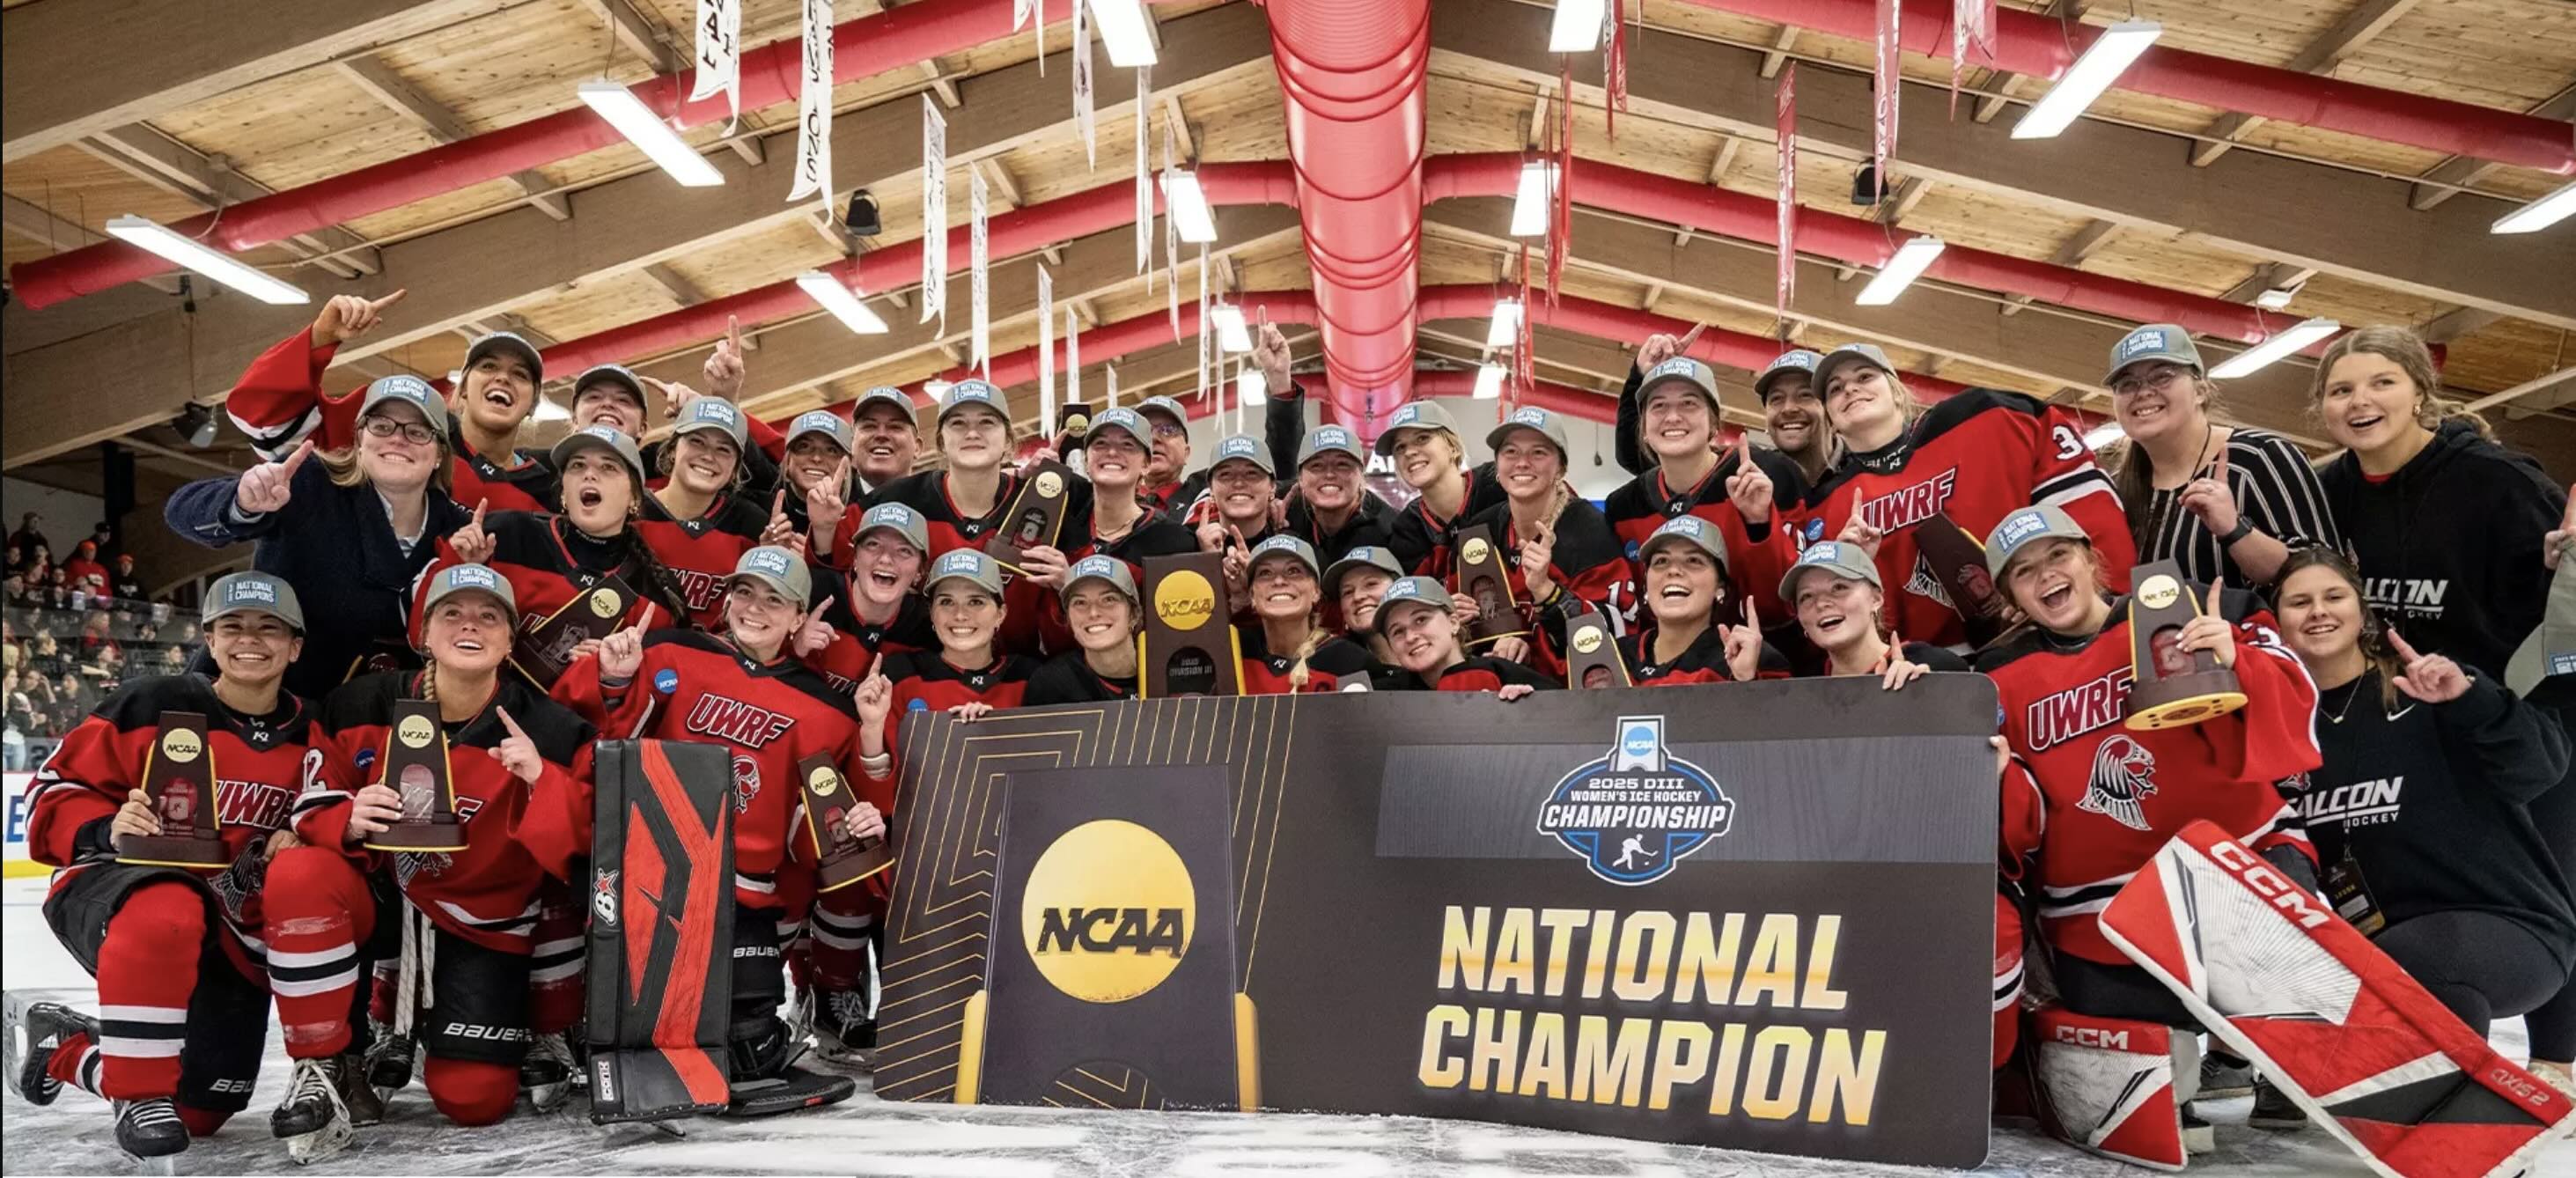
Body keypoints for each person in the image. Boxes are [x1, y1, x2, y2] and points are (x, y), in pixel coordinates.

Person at [1976, 504, 2322, 1138]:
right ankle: (2203, 1053)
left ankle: (2279, 1041)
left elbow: (2297, 708)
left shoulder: (2186, 607)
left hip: (2230, 860)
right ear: (2011, 597)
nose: (2045, 575)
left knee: (2261, 968)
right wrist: (1998, 775)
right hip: (2097, 912)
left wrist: (2234, 659)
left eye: (2057, 556)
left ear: (2090, 557)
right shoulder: (1995, 678)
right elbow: (2019, 829)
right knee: (2113, 1010)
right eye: (2023, 572)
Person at [2307, 325, 2576, 1086]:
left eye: (2380, 383)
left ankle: (2558, 1059)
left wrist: (2564, 564)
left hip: (2524, 706)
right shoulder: (2333, 491)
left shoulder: (2497, 482)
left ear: (2420, 390)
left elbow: (2561, 607)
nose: (2362, 401)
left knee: (2550, 866)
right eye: (2342, 389)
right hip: (2415, 717)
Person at [262, 564, 595, 1152]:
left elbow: (584, 845)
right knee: (299, 870)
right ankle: (323, 1065)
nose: (470, 625)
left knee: (474, 1099)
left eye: (488, 616)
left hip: (485, 920)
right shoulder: (359, 702)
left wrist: (544, 780)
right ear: (424, 633)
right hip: (385, 907)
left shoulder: (548, 726)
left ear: (510, 639)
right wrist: (346, 816)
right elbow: (313, 795)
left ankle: (498, 1029)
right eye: (453, 613)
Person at [8, 575, 328, 1160]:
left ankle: (68, 1048)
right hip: (126, 892)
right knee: (169, 903)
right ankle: (138, 1090)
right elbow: (52, 790)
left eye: (269, 629)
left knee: (202, 1111)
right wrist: (108, 826)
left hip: (231, 932)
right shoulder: (151, 702)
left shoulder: (314, 728)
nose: (250, 641)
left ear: (295, 646)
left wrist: (307, 832)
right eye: (233, 627)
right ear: (209, 637)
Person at [559, 547, 881, 1090]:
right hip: (653, 875)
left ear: (799, 617)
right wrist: (613, 678)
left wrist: (856, 807)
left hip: (744, 892)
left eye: (774, 600)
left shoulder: (827, 711)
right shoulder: (670, 653)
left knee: (751, 1045)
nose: (755, 608)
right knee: (646, 1027)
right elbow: (604, 748)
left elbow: (818, 823)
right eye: (745, 593)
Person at [2275, 547, 2574, 1045]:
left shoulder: (2426, 690)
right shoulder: (2282, 729)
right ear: (2277, 622)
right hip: (2383, 942)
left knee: (2405, 963)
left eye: (2334, 596)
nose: (2319, 611)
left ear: (2362, 611)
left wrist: (2472, 700)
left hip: (2514, 928)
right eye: (2299, 602)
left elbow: (2540, 770)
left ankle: (2462, 1109)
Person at [1748, 342, 2135, 652]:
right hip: (1926, 671)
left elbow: (2085, 503)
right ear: (1831, 417)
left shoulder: (1988, 418)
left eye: (1865, 376)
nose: (1850, 388)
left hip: (2044, 635)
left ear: (1897, 392)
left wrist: (2105, 601)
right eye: (1835, 389)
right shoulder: (1828, 504)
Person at [167, 374, 475, 699]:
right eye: (382, 426)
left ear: (440, 452)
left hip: (377, 722)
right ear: (360, 439)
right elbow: (181, 512)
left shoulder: (460, 531)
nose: (398, 439)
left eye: (418, 431)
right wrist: (242, 502)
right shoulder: (307, 483)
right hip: (266, 704)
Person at [226, 292, 561, 513]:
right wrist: (322, 337)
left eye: (519, 375)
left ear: (533, 403)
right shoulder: (388, 426)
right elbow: (263, 420)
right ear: (460, 389)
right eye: (488, 367)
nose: (502, 378)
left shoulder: (552, 488)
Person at [431, 425, 692, 684]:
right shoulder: (501, 536)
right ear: (564, 492)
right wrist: (461, 567)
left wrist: (610, 681)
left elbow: (652, 702)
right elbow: (420, 637)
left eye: (608, 468)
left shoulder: (657, 595)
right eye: (577, 466)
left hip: (575, 724)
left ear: (635, 497)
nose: (589, 475)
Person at [864, 381, 1093, 656]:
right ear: (941, 441)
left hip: (1017, 679)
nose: (972, 433)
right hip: (916, 680)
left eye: (987, 422)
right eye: (958, 423)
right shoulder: (897, 500)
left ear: (1009, 440)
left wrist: (1067, 588)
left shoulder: (1047, 509)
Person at [2102, 325, 2337, 586]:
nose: (2143, 392)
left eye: (2162, 377)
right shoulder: (2117, 493)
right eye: (2127, 385)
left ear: (2200, 391)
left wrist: (2234, 529)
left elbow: (2324, 573)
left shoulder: (2261, 457)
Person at [1603, 350, 1804, 622]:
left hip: (1763, 656)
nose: (1673, 417)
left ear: (1713, 424)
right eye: (1659, 406)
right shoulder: (1623, 507)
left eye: (1689, 403)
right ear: (1644, 430)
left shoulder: (1767, 474)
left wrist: (1759, 524)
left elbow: (1785, 603)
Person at [1446, 407, 1635, 677]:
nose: (1522, 462)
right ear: (1497, 466)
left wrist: (1547, 592)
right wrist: (1456, 619)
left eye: (1538, 452)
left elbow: (1619, 633)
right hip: (1492, 686)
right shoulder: (1478, 530)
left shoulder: (1588, 530)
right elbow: (1454, 633)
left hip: (1567, 692)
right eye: (1510, 452)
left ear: (1561, 468)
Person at [637, 397, 769, 628]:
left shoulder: (751, 525)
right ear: (671, 450)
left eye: (723, 449)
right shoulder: (629, 510)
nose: (709, 456)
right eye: (697, 442)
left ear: (735, 469)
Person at [1604, 516, 1770, 686]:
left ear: (1720, 586)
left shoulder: (1754, 657)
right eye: (1661, 561)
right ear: (1646, 584)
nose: (1674, 570)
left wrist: (1745, 682)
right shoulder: (1611, 658)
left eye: (1693, 561)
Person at [1778, 541, 1970, 683]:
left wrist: (1926, 694)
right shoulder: (1802, 693)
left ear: (1876, 599)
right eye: (1806, 597)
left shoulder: (1935, 666)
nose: (1821, 604)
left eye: (1839, 587)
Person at [801, 503, 935, 694]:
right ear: (854, 557)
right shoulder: (812, 590)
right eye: (873, 545)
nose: (886, 559)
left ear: (920, 572)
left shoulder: (925, 627)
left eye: (904, 550)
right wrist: (792, 648)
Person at [1373, 401, 1502, 575]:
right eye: (1400, 447)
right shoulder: (1407, 529)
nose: (1409, 452)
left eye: (1422, 438)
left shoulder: (1497, 485)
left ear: (1452, 446)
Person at [1237, 536, 1378, 693]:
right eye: (1265, 573)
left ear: (1316, 592)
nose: (1278, 581)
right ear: (1251, 596)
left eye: (1293, 571)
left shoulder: (1349, 660)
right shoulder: (1235, 652)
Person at [1373, 578, 1557, 696]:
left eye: (1421, 620)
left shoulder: (1498, 671)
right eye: (1397, 631)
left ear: (1453, 622)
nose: (1410, 636)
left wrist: (1525, 710)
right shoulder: (1388, 695)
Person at [1025, 556, 1144, 704]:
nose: (1093, 613)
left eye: (1109, 599)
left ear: (1134, 614)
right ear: (1068, 617)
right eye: (1080, 602)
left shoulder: (1167, 670)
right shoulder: (1052, 685)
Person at [1282, 424, 1395, 568]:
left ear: (1361, 476)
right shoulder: (1284, 511)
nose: (1329, 474)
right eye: (1317, 465)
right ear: (1301, 479)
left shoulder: (1389, 532)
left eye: (1342, 464)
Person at [1753, 350, 1840, 490]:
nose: (1788, 408)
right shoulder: (1753, 484)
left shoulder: (1864, 473)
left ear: (1831, 409)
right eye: (1777, 398)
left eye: (1805, 395)